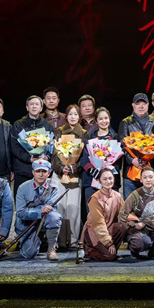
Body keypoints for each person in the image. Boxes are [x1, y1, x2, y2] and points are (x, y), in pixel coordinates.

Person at [15, 159, 63, 260]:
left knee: (54, 217)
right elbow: (21, 212)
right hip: (27, 224)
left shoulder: (53, 186)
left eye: (44, 171)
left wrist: (42, 210)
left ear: (48, 173)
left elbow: (52, 207)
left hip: (45, 220)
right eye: (38, 171)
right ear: (33, 172)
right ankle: (34, 240)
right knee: (29, 254)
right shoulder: (23, 188)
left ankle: (51, 249)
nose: (41, 174)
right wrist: (39, 211)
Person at [52, 104, 86, 249]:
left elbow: (84, 156)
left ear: (80, 116)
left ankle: (73, 240)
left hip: (75, 175)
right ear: (66, 116)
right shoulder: (58, 131)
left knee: (74, 207)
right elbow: (54, 154)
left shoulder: (84, 133)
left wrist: (73, 168)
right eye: (70, 114)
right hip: (59, 174)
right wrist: (62, 168)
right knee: (60, 207)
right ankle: (60, 240)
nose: (73, 117)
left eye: (75, 114)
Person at [119, 167, 154, 260]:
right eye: (145, 177)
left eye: (150, 177)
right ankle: (134, 249)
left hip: (153, 225)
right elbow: (123, 213)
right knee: (141, 243)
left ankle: (153, 251)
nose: (148, 180)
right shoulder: (134, 195)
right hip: (137, 228)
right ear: (141, 180)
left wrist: (145, 222)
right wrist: (128, 228)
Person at [118, 93, 154, 198]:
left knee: (150, 204)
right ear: (133, 105)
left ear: (148, 105)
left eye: (144, 104)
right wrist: (133, 160)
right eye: (138, 104)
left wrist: (147, 159)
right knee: (130, 203)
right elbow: (122, 145)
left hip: (150, 171)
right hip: (130, 172)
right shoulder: (125, 122)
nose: (141, 106)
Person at [10, 95, 55, 194]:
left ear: (41, 108)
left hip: (41, 171)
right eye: (31, 104)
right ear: (27, 107)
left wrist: (46, 157)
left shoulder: (47, 126)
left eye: (37, 104)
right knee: (21, 199)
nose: (34, 106)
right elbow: (14, 147)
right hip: (23, 170)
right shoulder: (18, 125)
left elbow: (52, 146)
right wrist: (29, 158)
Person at [79, 107, 121, 212]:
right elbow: (84, 159)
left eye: (106, 118)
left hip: (110, 182)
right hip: (92, 180)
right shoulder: (89, 137)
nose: (104, 121)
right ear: (96, 121)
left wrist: (107, 172)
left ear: (110, 119)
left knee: (110, 213)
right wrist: (93, 171)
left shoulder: (116, 137)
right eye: (101, 119)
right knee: (93, 214)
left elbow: (119, 161)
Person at [80, 167, 126, 262]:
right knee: (109, 257)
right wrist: (108, 243)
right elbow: (98, 224)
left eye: (110, 178)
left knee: (121, 226)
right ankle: (90, 250)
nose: (108, 181)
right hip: (94, 231)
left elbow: (125, 212)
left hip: (108, 229)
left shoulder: (117, 196)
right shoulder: (95, 198)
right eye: (104, 179)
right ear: (99, 181)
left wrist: (135, 222)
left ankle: (111, 251)